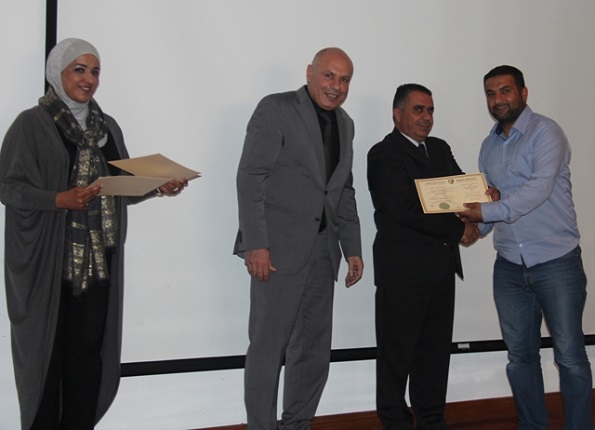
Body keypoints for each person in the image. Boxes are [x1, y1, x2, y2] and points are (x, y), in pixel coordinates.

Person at [0, 38, 188, 430]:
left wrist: (158, 185)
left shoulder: (106, 127)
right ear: (57, 74)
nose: (89, 79)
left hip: (98, 266)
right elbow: (9, 187)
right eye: (79, 70)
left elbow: (120, 187)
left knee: (86, 360)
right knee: (47, 359)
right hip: (49, 267)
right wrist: (59, 199)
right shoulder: (31, 125)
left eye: (95, 71)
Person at [234, 47, 364, 430]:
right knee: (267, 349)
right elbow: (250, 178)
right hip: (276, 253)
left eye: (344, 79)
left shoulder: (346, 124)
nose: (336, 86)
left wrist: (352, 248)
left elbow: (343, 189)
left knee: (313, 353)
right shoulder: (276, 108)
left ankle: (298, 424)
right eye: (329, 76)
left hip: (323, 253)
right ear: (310, 73)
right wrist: (256, 244)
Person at [460, 65, 592, 429]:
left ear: (523, 93)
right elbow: (495, 203)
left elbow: (537, 192)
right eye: (490, 93)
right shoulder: (488, 147)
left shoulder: (547, 132)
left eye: (505, 90)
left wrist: (485, 211)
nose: (497, 100)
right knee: (520, 359)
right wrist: (473, 228)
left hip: (556, 261)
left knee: (570, 357)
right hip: (509, 266)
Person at [367, 84, 479, 430]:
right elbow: (407, 209)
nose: (426, 117)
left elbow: (462, 190)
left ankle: (432, 420)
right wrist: (458, 229)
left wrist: (485, 200)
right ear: (397, 113)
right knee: (396, 356)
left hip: (441, 269)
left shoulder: (439, 148)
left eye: (430, 110)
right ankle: (395, 422)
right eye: (418, 110)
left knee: (434, 355)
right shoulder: (383, 154)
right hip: (403, 273)